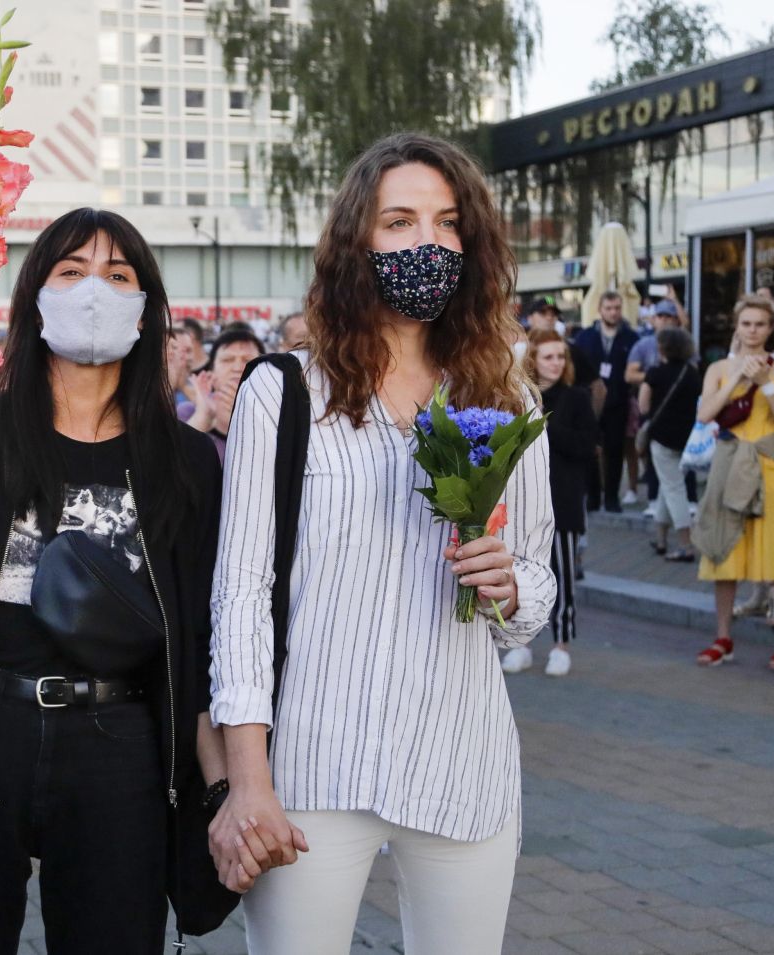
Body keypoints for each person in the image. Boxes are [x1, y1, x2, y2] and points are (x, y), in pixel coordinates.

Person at [209, 134, 556, 955]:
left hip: (460, 760)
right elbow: (241, 595)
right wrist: (246, 780)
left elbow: (535, 588)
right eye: (398, 221)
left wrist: (508, 584)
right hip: (313, 765)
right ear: (356, 241)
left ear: (470, 244)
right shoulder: (285, 392)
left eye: (446, 222)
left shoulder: (507, 396)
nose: (424, 241)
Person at [0, 208, 227, 954]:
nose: (94, 289)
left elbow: (199, 629)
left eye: (118, 275)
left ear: (145, 309)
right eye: (70, 271)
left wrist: (221, 777)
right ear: (33, 298)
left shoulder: (186, 462)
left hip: (120, 739)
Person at [692, 295, 774, 670]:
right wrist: (739, 378)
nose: (752, 330)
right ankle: (723, 637)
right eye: (746, 324)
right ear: (737, 327)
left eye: (760, 324)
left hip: (770, 468)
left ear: (771, 329)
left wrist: (766, 384)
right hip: (728, 467)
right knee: (724, 555)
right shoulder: (719, 368)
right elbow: (706, 414)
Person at [500, 328, 596, 677]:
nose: (556, 363)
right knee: (518, 572)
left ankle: (561, 644)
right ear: (533, 360)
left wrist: (544, 422)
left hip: (563, 501)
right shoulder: (517, 395)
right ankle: (521, 643)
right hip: (522, 504)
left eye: (560, 357)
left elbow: (586, 446)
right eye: (548, 357)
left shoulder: (576, 397)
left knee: (564, 576)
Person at [638, 328, 702, 561]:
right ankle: (661, 538)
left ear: (662, 348)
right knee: (670, 484)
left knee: (674, 488)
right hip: (687, 438)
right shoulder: (692, 373)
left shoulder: (654, 373)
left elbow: (643, 406)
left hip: (661, 438)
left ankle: (685, 544)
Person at [574, 291, 640, 512]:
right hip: (589, 404)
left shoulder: (631, 338)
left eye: (617, 308)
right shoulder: (585, 337)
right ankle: (593, 496)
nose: (613, 312)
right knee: (590, 450)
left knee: (615, 450)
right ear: (600, 310)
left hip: (618, 403)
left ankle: (612, 497)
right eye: (609, 308)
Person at [178, 326, 266, 462]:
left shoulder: (275, 416)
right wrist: (202, 417)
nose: (237, 368)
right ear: (212, 370)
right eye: (227, 360)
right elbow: (172, 464)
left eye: (248, 360)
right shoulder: (187, 413)